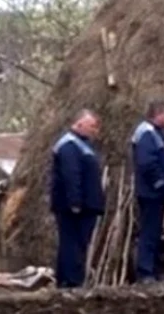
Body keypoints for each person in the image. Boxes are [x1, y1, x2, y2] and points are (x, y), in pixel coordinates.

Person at [50, 109, 105, 288]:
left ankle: (65, 279)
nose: (94, 130)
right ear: (79, 123)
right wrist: (75, 201)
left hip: (83, 204)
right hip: (73, 206)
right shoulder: (69, 145)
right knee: (73, 243)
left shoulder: (80, 144)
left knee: (74, 243)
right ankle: (72, 281)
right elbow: (71, 175)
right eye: (91, 126)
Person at [131, 100, 164, 283]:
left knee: (155, 232)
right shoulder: (146, 133)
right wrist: (160, 183)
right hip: (151, 194)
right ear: (157, 114)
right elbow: (146, 162)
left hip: (155, 193)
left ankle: (154, 271)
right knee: (149, 233)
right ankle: (146, 273)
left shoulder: (154, 133)